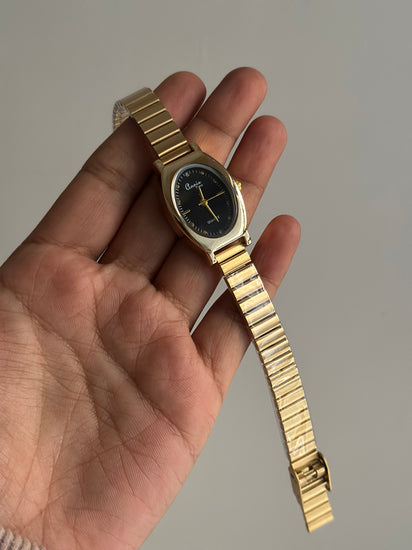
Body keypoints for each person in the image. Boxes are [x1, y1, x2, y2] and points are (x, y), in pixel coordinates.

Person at [0, 67, 300, 550]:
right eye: (196, 201)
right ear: (181, 219)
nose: (204, 200)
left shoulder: (205, 197)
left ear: (230, 193)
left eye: (212, 194)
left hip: (224, 235)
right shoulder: (180, 188)